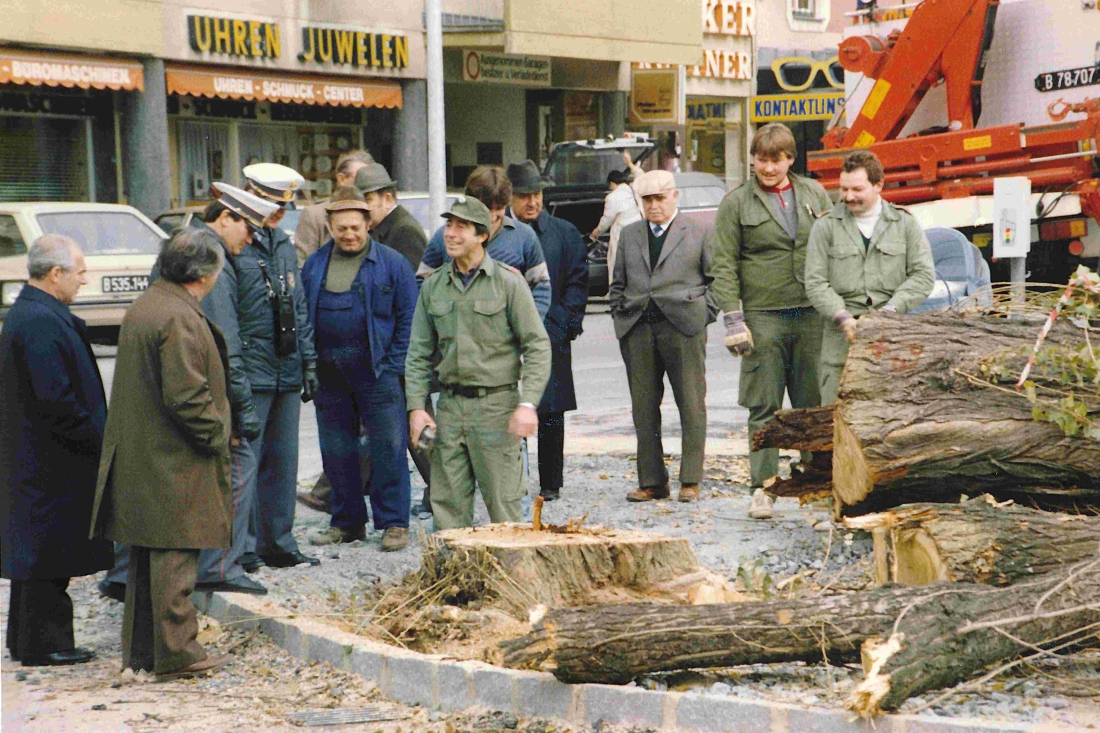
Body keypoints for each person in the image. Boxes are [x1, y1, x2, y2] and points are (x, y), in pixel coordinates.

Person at [99, 187, 277, 600]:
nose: (250, 240)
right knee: (234, 465)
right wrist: (241, 417)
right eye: (248, 228)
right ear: (227, 217)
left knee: (151, 490)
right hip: (193, 402)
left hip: (149, 407)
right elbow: (223, 347)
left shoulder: (182, 245)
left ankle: (128, 574)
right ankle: (217, 567)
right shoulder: (206, 261)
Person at [89, 230, 234, 680]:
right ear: (205, 274)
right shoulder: (178, 316)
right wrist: (218, 436)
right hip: (172, 458)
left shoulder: (149, 304)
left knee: (148, 556)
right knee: (175, 553)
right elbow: (187, 397)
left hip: (148, 454)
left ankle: (143, 653)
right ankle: (177, 653)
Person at [405, 196, 552, 530]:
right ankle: (455, 580)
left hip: (497, 408)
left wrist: (528, 404)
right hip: (451, 408)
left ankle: (512, 580)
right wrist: (416, 408)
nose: (451, 234)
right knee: (447, 508)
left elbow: (538, 346)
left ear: (482, 235)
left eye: (461, 226)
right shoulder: (434, 286)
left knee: (506, 510)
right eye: (449, 225)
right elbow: (417, 353)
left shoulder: (508, 283)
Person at [710, 122, 834, 520]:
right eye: (761, 160)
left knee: (812, 404)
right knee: (763, 405)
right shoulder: (736, 203)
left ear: (790, 160)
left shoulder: (815, 193)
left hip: (812, 312)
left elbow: (836, 246)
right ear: (752, 159)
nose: (767, 168)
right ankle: (763, 488)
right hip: (763, 316)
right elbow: (723, 264)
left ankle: (818, 481)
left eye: (775, 160)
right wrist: (733, 319)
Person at [0, 235, 112, 667]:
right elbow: (56, 400)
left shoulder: (35, 312)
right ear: (55, 273)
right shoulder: (40, 321)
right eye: (80, 272)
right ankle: (45, 644)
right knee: (47, 554)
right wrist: (94, 439)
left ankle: (27, 641)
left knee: (39, 555)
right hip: (51, 460)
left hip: (41, 457)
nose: (84, 281)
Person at [300, 187, 418, 551]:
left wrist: (393, 365)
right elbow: (302, 317)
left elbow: (409, 320)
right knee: (337, 451)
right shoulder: (314, 265)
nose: (349, 235)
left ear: (368, 224)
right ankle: (347, 522)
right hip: (330, 375)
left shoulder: (393, 264)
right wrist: (309, 363)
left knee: (388, 448)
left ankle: (394, 522)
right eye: (341, 229)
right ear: (330, 227)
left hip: (377, 372)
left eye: (355, 227)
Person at [609, 170, 717, 503]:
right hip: (638, 329)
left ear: (674, 196)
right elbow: (617, 284)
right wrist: (621, 317)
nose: (654, 206)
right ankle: (653, 481)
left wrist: (703, 314)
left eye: (660, 198)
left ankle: (691, 480)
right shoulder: (629, 234)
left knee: (691, 404)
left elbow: (718, 280)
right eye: (647, 200)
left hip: (684, 328)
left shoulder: (698, 231)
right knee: (643, 408)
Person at [237, 163, 321, 573]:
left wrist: (308, 360)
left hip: (285, 368)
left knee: (283, 463)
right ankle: (246, 545)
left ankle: (279, 542)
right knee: (248, 461)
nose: (279, 214)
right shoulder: (233, 245)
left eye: (283, 207)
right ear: (251, 197)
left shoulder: (283, 245)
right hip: (252, 370)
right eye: (272, 206)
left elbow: (298, 306)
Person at [804, 150, 935, 404]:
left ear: (878, 186)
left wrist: (890, 312)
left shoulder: (904, 223)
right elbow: (815, 282)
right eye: (844, 189)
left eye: (857, 189)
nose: (848, 197)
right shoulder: (825, 226)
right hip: (840, 342)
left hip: (891, 339)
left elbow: (923, 275)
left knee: (888, 419)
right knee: (836, 421)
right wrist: (842, 318)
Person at [506, 159, 589, 502]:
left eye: (537, 193)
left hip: (551, 332)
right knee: (513, 406)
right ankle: (515, 480)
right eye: (524, 195)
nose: (532, 202)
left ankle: (551, 483)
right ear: (510, 197)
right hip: (507, 336)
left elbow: (578, 282)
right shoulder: (500, 235)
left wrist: (562, 325)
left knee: (551, 411)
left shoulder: (563, 232)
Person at [295, 149, 375, 266]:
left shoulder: (374, 211)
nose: (365, 184)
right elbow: (303, 266)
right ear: (342, 179)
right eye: (360, 178)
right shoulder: (315, 216)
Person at [591, 150, 644, 276]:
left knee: (618, 266)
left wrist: (596, 232)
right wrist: (630, 164)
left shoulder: (613, 197)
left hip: (621, 236)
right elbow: (642, 177)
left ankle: (615, 292)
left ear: (613, 183)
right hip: (639, 232)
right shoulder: (634, 188)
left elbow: (606, 220)